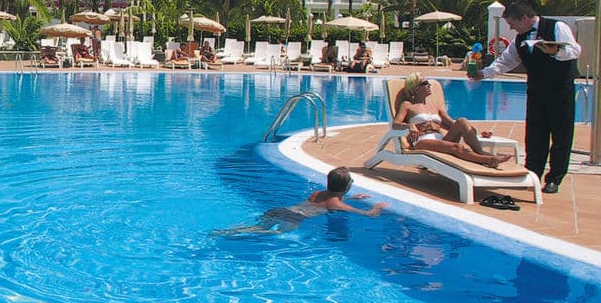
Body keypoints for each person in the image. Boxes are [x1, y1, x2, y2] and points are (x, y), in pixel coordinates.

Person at [469, 0, 581, 194]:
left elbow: (575, 50)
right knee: (535, 133)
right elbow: (506, 61)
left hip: (560, 89)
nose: (511, 28)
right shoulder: (520, 38)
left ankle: (555, 178)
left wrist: (555, 51)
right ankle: (533, 173)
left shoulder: (556, 27)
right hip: (536, 90)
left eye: (512, 23)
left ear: (525, 18)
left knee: (561, 134)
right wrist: (484, 73)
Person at [212, 167, 386, 235]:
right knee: (276, 233)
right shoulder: (337, 204)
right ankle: (237, 232)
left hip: (280, 210)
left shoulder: (318, 193)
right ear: (346, 187)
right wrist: (378, 207)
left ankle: (232, 230)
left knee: (259, 226)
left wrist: (351, 198)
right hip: (293, 218)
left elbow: (324, 202)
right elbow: (369, 215)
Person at [394, 74, 513, 168]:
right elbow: (395, 124)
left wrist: (477, 133)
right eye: (425, 83)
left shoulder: (435, 106)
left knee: (462, 121)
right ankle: (489, 160)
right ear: (415, 88)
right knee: (458, 147)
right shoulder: (408, 105)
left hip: (442, 141)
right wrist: (409, 125)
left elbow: (454, 124)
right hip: (422, 142)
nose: (429, 85)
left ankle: (480, 152)